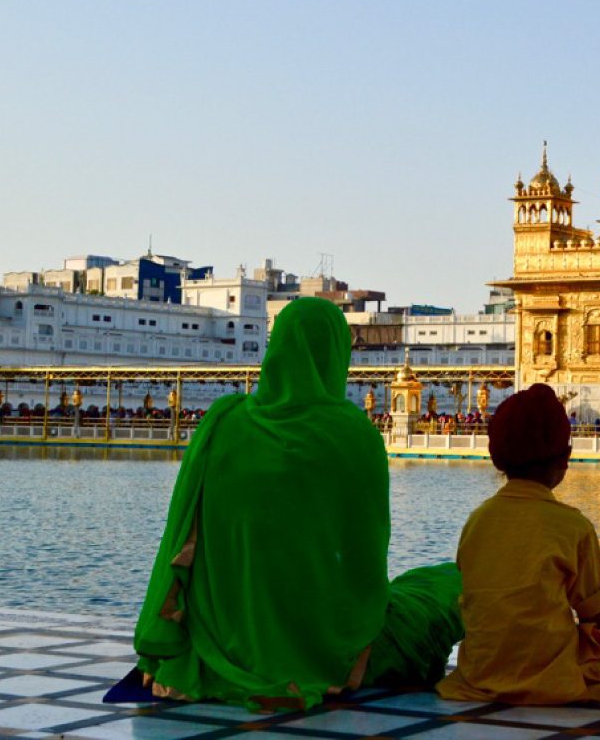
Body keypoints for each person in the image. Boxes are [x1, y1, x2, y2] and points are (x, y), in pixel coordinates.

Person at [132, 298, 463, 711]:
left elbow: (177, 546)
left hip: (217, 643)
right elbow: (364, 566)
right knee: (453, 582)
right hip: (328, 649)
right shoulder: (352, 434)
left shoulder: (221, 423)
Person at [438, 384, 600, 704]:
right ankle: (563, 684)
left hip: (480, 672)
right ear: (563, 461)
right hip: (550, 671)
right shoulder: (572, 526)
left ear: (498, 460)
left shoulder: (477, 520)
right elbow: (593, 619)